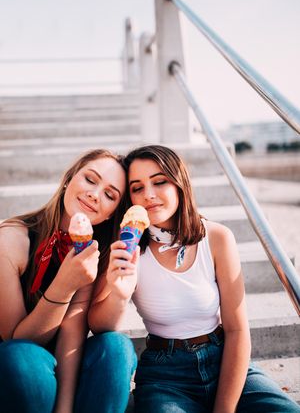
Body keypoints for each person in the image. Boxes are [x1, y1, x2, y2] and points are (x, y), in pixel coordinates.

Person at [89, 144, 300, 413]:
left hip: (224, 358)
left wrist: (224, 409)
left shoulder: (217, 238)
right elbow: (98, 325)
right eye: (137, 188)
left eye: (159, 182)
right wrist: (118, 292)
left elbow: (237, 330)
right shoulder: (125, 247)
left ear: (179, 184)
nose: (149, 195)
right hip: (165, 375)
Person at [0, 148, 137, 413]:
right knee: (22, 358)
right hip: (18, 370)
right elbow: (16, 338)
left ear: (111, 213)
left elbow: (72, 334)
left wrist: (64, 408)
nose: (94, 195)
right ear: (69, 178)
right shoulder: (11, 239)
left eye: (109, 195)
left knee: (117, 347)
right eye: (90, 179)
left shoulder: (92, 253)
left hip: (63, 365)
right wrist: (65, 284)